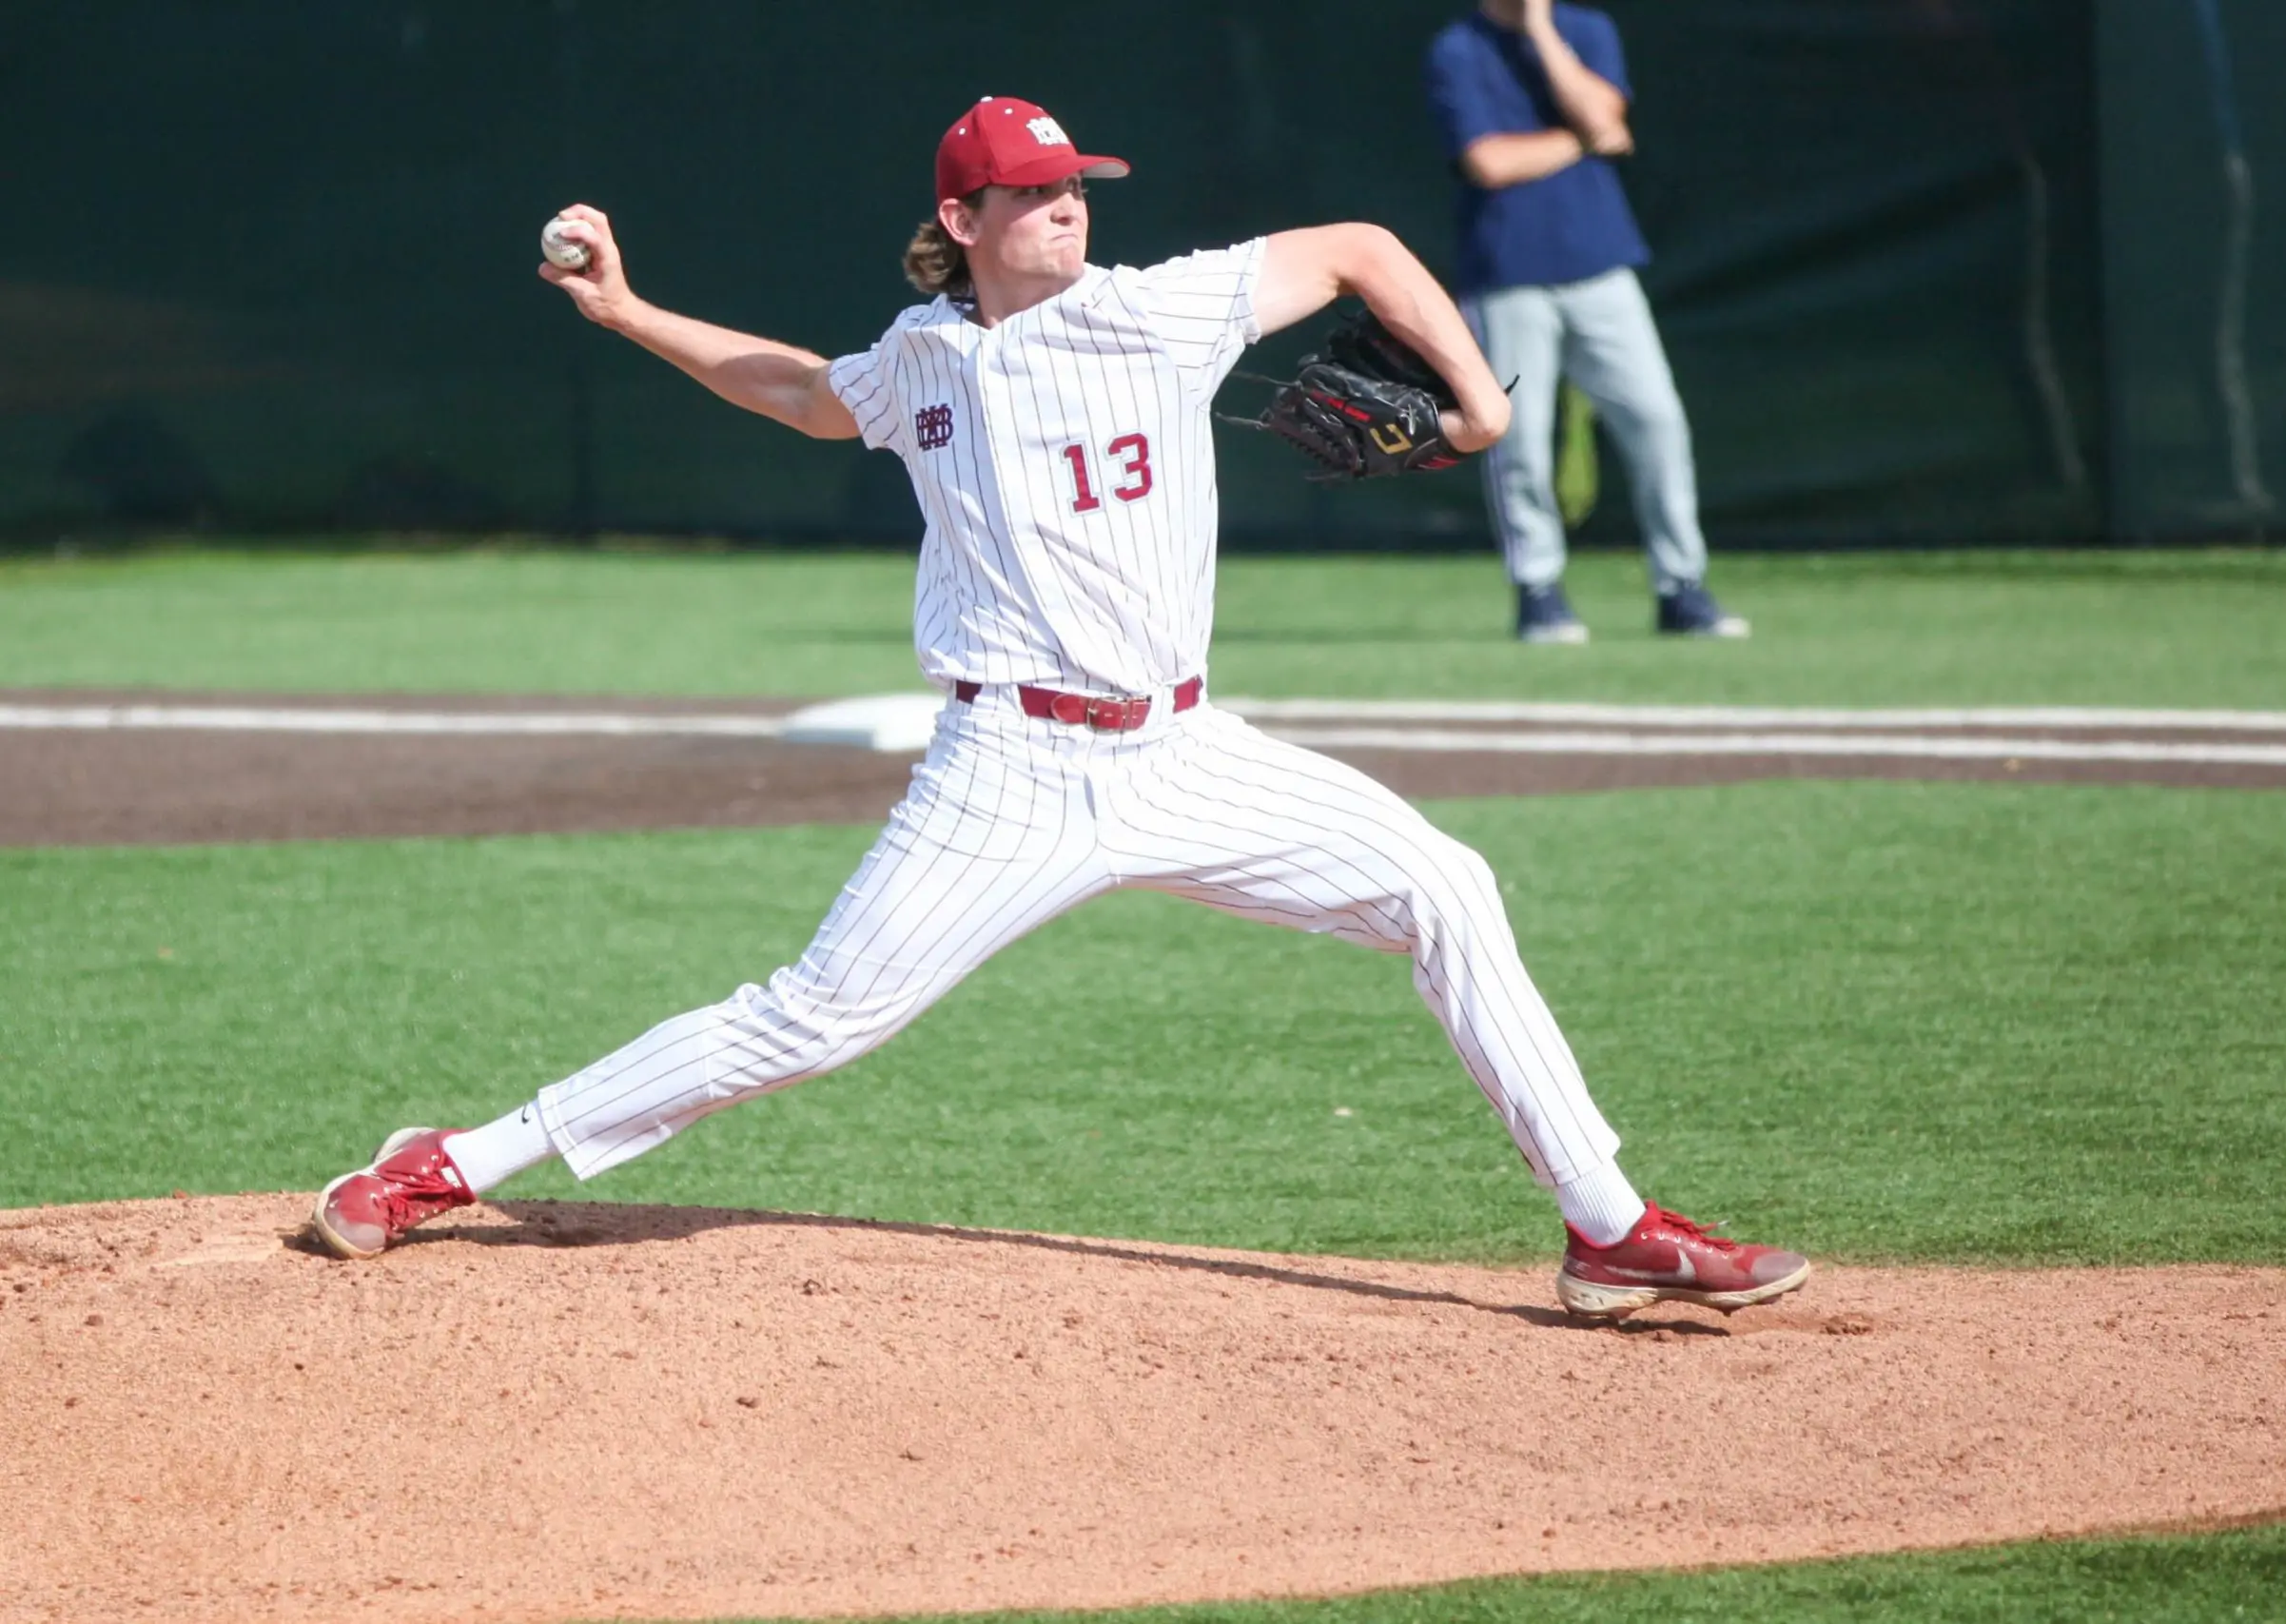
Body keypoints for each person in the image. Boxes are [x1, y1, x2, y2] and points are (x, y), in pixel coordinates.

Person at [308, 95, 1807, 1321]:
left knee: (1447, 886)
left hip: (1185, 750)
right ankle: (456, 1157)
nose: (1067, 205)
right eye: (1032, 192)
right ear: (962, 223)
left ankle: (1607, 1227)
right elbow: (802, 394)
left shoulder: (1161, 309)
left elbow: (1360, 245)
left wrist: (1476, 402)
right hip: (1005, 769)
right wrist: (629, 313)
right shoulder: (921, 357)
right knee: (813, 1019)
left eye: (1074, 183)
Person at [1428, 0, 1749, 644]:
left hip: (1602, 266)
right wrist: (1583, 139)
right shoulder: (1457, 48)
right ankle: (1539, 591)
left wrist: (1544, 33)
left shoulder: (1586, 30)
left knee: (1656, 419)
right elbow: (1491, 162)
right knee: (1517, 439)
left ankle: (1681, 588)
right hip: (1506, 276)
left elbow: (1606, 114)